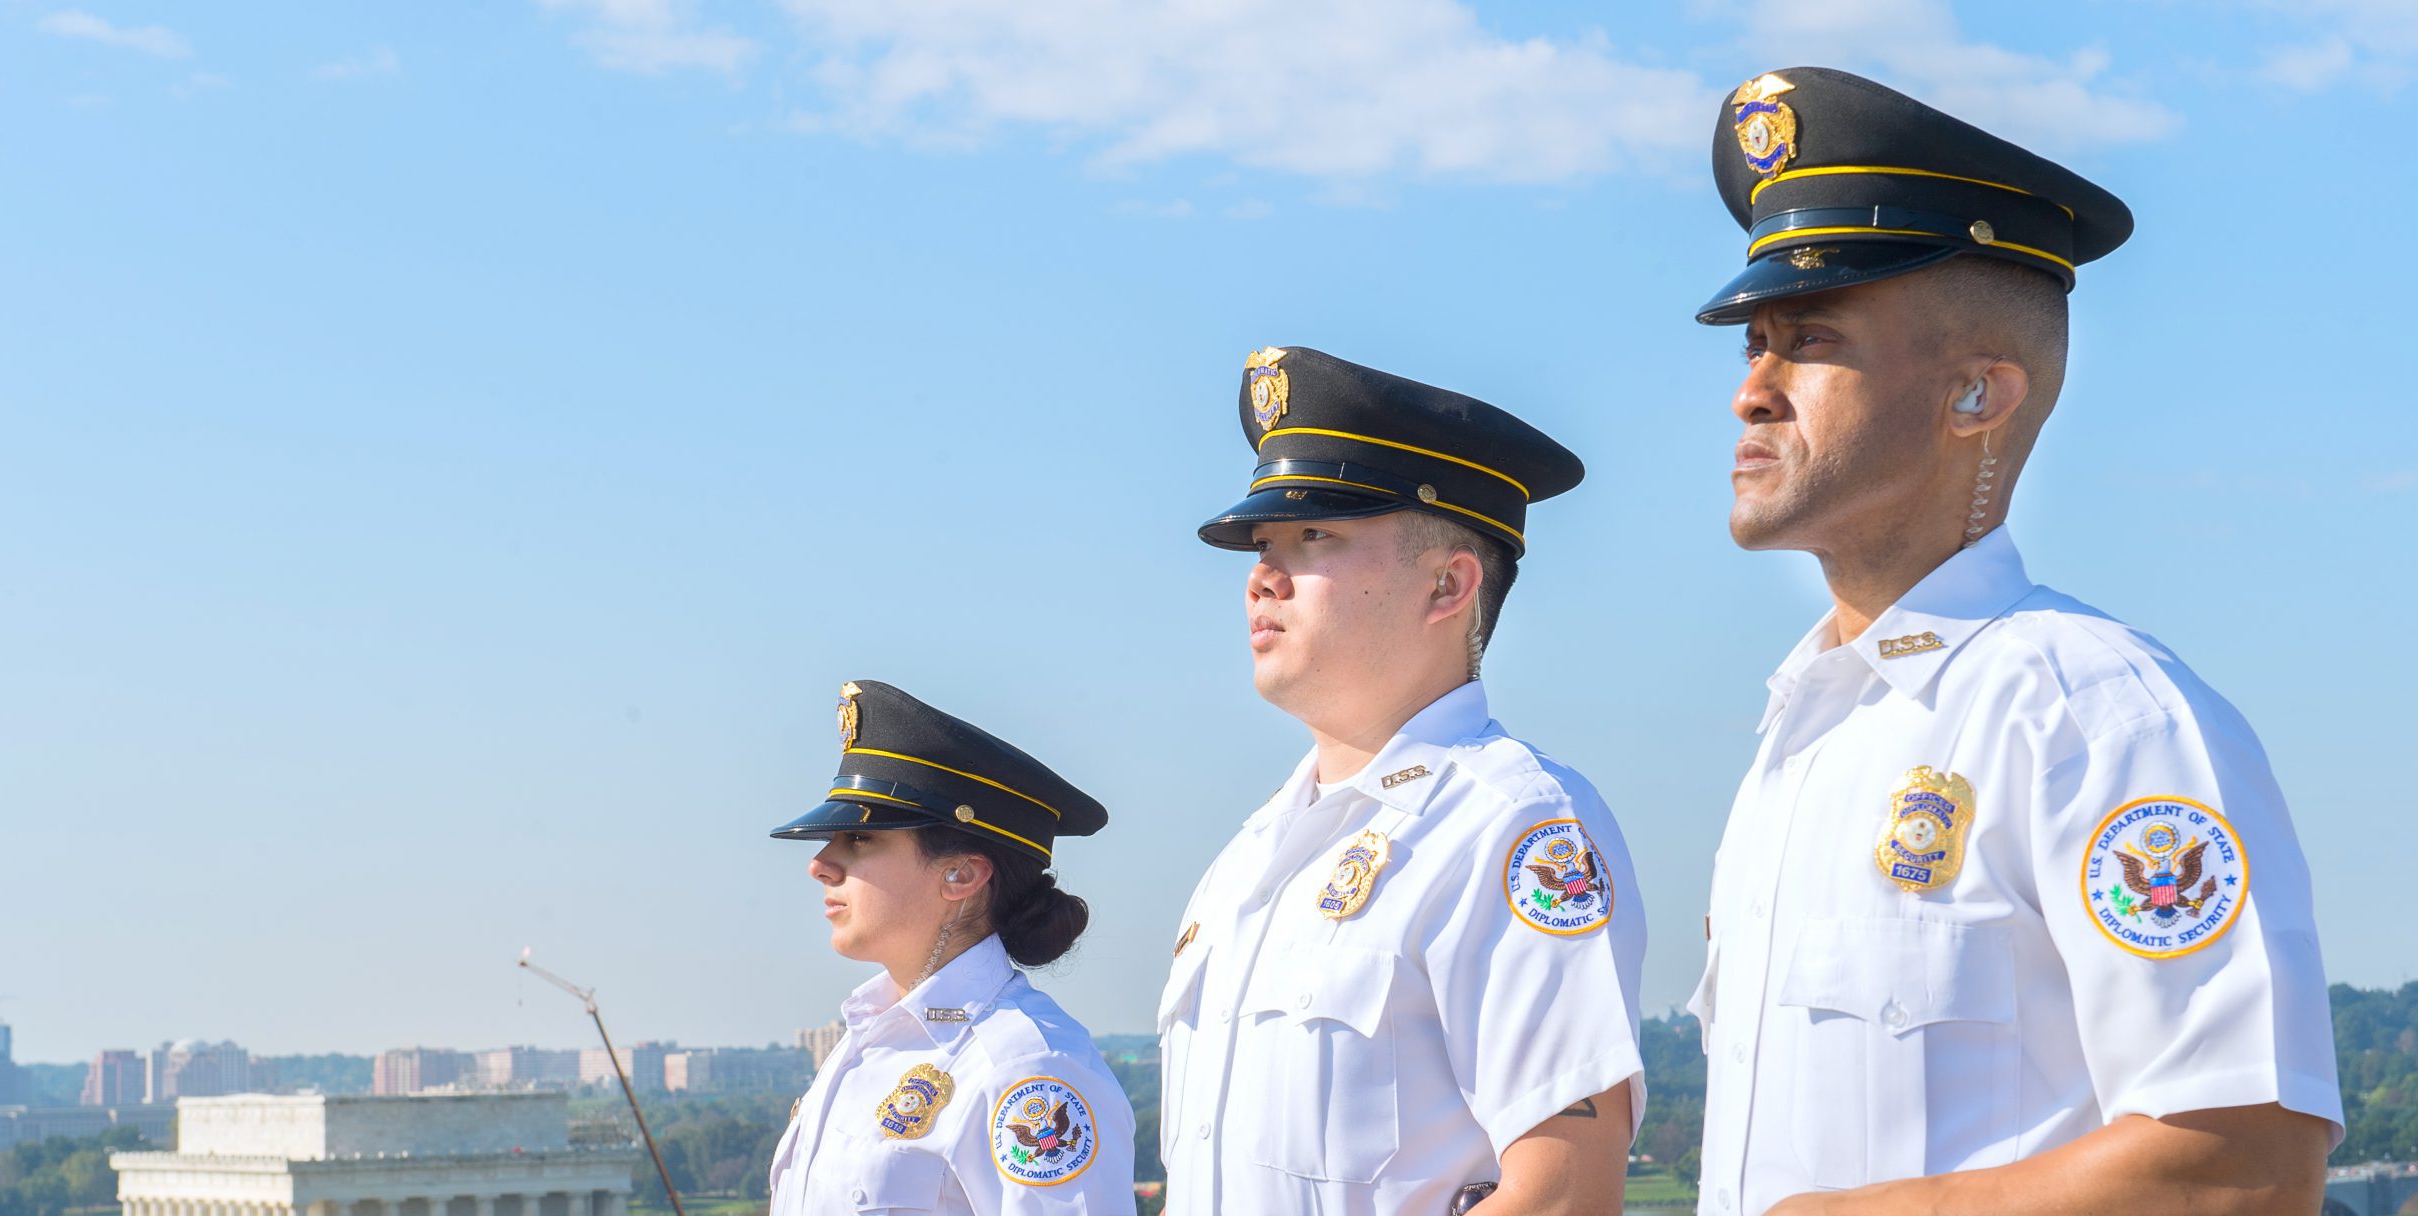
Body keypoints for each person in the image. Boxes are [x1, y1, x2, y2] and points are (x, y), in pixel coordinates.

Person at [1684, 67, 2342, 1216]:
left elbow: (2246, 1162)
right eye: (1752, 344)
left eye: (1810, 339)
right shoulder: (1802, 732)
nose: (1752, 389)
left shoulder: (2100, 714)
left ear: (1977, 396)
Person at [1160, 346, 1648, 1216]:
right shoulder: (1246, 861)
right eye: (1263, 541)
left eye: (1316, 535)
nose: (1262, 575)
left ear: (1448, 584)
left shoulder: (1516, 827)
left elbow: (1565, 1195)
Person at [766, 679, 1136, 1215]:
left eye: (860, 839)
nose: (820, 864)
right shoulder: (864, 1040)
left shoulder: (1030, 1069)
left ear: (961, 874)